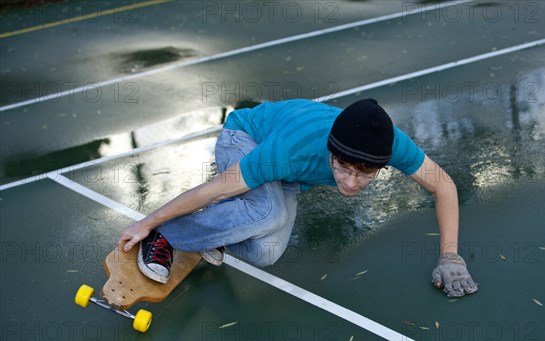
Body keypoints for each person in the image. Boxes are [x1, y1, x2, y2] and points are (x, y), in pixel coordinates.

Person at [119, 98, 478, 297]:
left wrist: (451, 256)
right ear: (330, 152)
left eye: (364, 174)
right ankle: (167, 236)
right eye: (342, 168)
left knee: (266, 253)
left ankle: (218, 229)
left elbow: (443, 185)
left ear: (382, 165)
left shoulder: (389, 144)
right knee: (267, 215)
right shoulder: (290, 149)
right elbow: (214, 188)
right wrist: (151, 221)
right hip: (245, 138)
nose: (351, 183)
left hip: (288, 176)